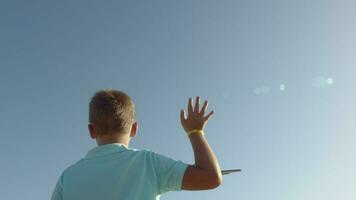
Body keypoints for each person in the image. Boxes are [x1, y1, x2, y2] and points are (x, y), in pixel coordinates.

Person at [51, 89, 222, 200]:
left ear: (91, 130)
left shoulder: (67, 177)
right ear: (134, 129)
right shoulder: (148, 163)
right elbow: (211, 177)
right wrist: (195, 132)